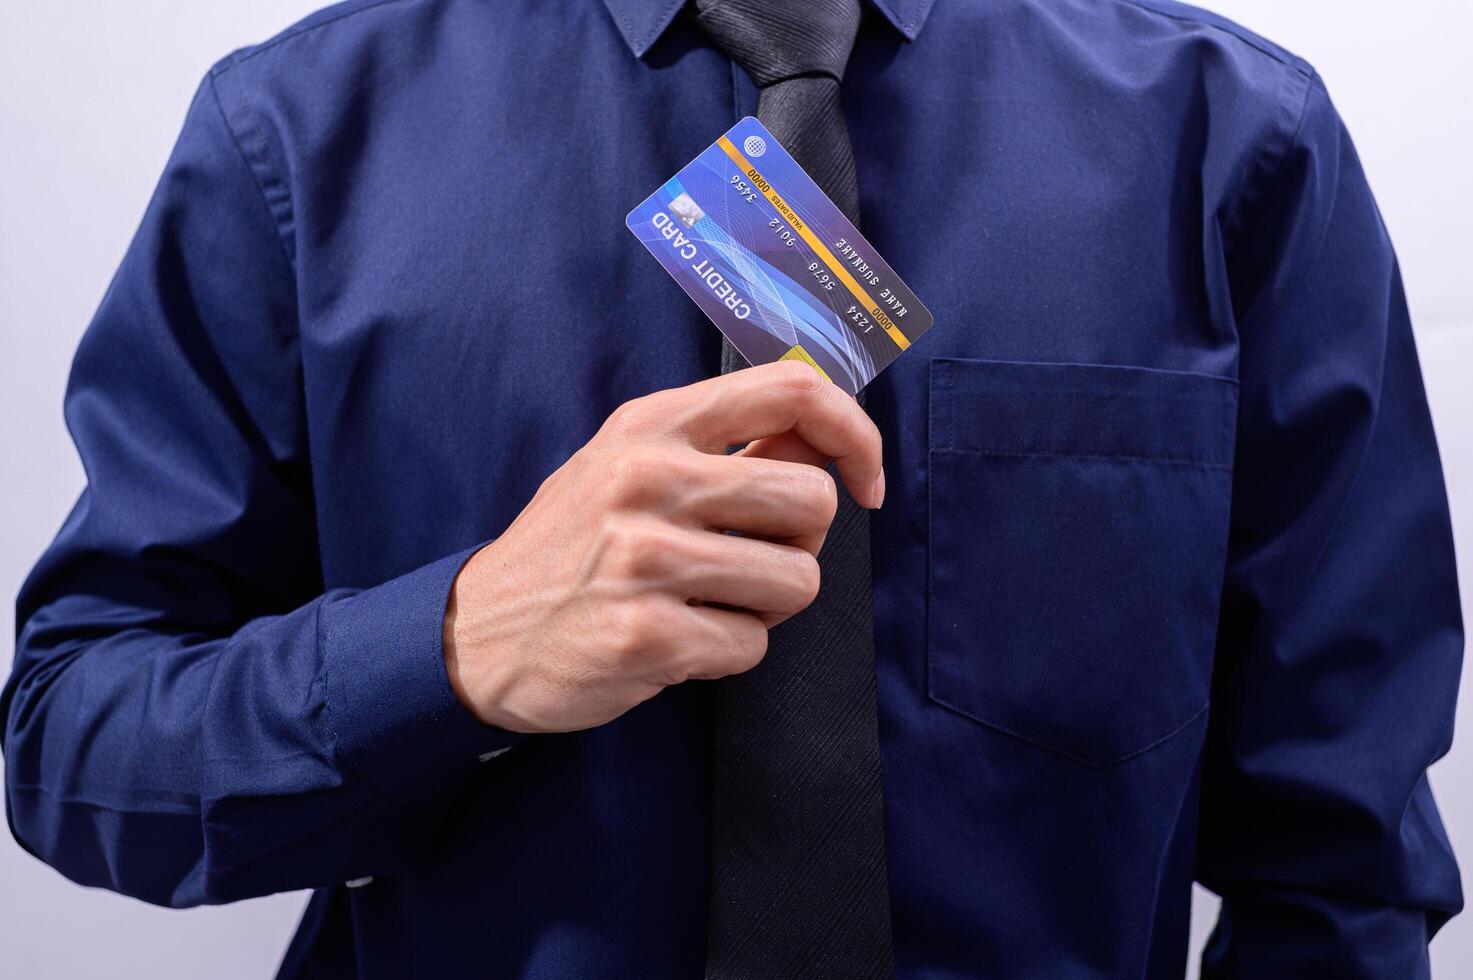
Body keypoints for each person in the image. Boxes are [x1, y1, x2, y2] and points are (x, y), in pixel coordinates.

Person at [3, 0, 1462, 977]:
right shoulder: (294, 138)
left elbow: (1340, 867)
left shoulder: (1228, 140)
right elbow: (74, 748)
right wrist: (447, 649)